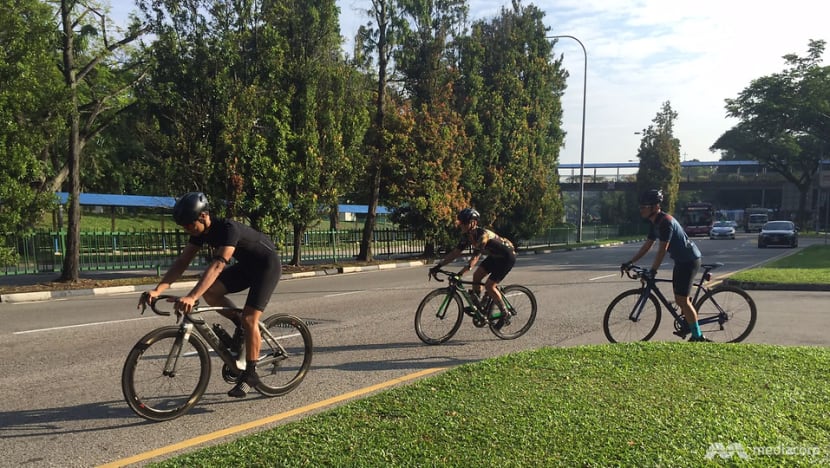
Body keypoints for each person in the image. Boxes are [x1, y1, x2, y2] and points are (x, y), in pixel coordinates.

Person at [138, 192, 282, 397]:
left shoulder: (228, 229)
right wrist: (158, 289)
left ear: (204, 216)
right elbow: (182, 262)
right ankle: (239, 322)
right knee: (212, 293)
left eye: (189, 225)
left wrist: (192, 296)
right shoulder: (200, 233)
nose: (187, 229)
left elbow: (217, 266)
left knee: (251, 318)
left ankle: (251, 374)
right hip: (247, 267)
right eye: (184, 227)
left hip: (267, 267)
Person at [622, 189, 710, 342]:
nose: (641, 210)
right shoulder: (654, 222)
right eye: (640, 207)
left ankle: (698, 336)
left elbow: (662, 249)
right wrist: (631, 262)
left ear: (655, 207)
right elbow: (647, 245)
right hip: (680, 261)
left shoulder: (665, 223)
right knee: (679, 299)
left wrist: (653, 271)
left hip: (690, 261)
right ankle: (688, 325)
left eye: (644, 207)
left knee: (683, 300)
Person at [430, 208, 517, 329]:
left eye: (465, 223)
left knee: (489, 285)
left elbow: (475, 259)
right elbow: (455, 253)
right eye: (461, 222)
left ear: (474, 223)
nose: (462, 225)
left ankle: (505, 314)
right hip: (494, 256)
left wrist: (460, 274)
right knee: (477, 276)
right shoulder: (467, 236)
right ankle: (479, 306)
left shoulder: (483, 235)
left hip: (507, 257)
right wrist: (438, 266)